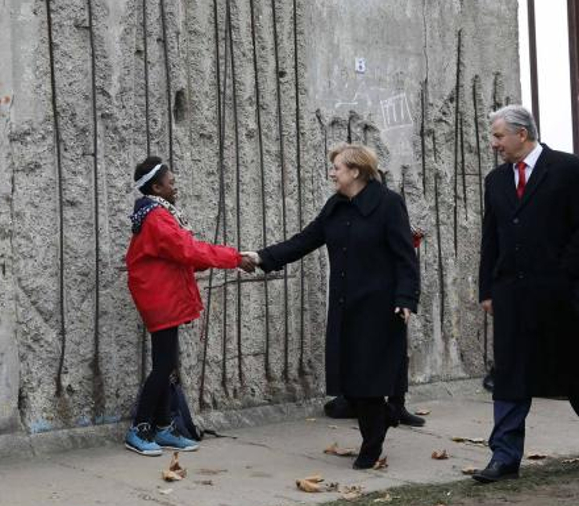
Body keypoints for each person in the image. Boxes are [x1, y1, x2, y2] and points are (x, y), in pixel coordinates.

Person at [245, 143, 419, 469]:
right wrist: (262, 257)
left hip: (380, 307)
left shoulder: (388, 204)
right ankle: (384, 416)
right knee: (349, 376)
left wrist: (406, 299)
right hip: (345, 304)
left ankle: (372, 443)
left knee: (368, 380)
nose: (332, 173)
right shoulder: (336, 206)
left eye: (337, 167)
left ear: (355, 171)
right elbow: (304, 240)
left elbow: (405, 257)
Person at [473, 106, 579, 483]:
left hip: (560, 293)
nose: (494, 144)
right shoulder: (496, 181)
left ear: (522, 134)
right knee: (510, 374)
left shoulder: (570, 170)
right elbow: (492, 237)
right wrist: (487, 288)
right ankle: (504, 456)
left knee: (576, 367)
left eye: (499, 136)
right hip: (512, 295)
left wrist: (562, 275)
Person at [125, 156, 255, 456]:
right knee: (162, 367)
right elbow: (187, 249)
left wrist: (208, 261)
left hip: (163, 293)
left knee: (166, 365)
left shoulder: (159, 213)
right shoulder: (157, 217)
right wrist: (234, 258)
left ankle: (162, 427)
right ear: (156, 187)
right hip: (159, 297)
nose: (175, 186)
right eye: (171, 182)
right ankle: (139, 428)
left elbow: (180, 255)